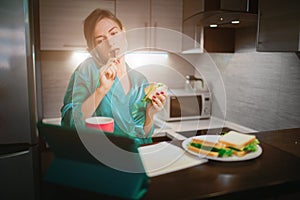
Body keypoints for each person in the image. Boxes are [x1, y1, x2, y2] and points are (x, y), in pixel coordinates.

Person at [60, 9, 166, 144]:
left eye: (114, 33)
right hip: (103, 159)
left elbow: (144, 134)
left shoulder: (139, 80)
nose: (110, 43)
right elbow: (69, 124)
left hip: (136, 158)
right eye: (100, 41)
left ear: (124, 32)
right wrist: (101, 90)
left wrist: (150, 112)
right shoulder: (87, 70)